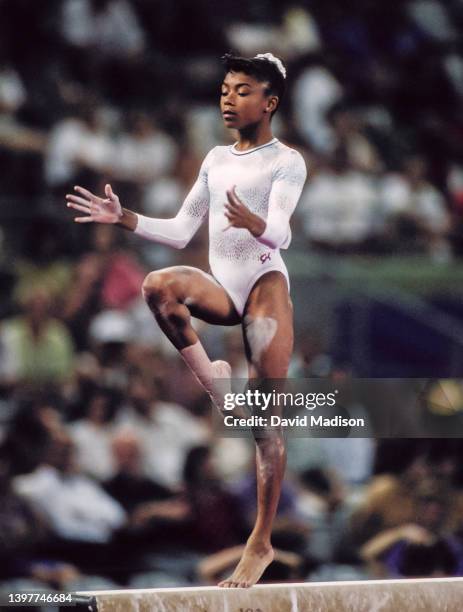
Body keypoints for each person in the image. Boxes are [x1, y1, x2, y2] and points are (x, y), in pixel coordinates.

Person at [65, 52, 307, 588]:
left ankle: (260, 542)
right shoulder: (215, 160)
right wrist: (124, 218)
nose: (227, 98)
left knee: (268, 417)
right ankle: (215, 384)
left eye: (242, 90)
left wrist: (257, 222)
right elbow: (179, 232)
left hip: (266, 284)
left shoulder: (286, 160)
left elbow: (284, 233)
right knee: (158, 286)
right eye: (224, 88)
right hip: (223, 286)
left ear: (269, 103)